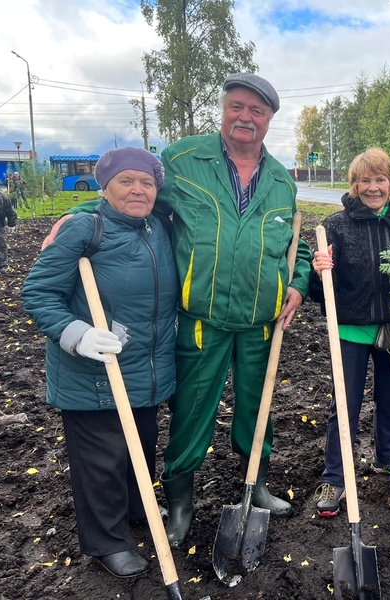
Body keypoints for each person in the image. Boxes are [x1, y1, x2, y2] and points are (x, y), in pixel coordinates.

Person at [42, 73, 312, 546]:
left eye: (257, 111)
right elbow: (132, 196)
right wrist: (82, 209)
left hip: (260, 324)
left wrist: (298, 283)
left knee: (259, 409)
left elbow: (295, 244)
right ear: (224, 109)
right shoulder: (184, 161)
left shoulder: (281, 181)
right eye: (237, 106)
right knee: (191, 413)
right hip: (201, 321)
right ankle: (181, 501)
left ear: (269, 119)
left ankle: (258, 482)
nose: (245, 117)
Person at [21, 147, 177, 578]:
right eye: (126, 181)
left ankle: (134, 507)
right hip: (92, 372)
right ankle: (106, 542)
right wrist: (78, 334)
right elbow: (36, 294)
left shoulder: (159, 227)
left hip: (144, 368)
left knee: (138, 449)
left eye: (146, 182)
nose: (137, 190)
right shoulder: (84, 229)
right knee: (101, 460)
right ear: (105, 186)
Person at [308, 148, 390, 517]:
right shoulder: (336, 226)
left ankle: (386, 458)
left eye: (380, 179)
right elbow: (317, 287)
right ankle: (335, 478)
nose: (372, 187)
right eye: (364, 180)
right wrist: (319, 268)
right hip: (351, 328)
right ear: (354, 186)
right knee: (345, 404)